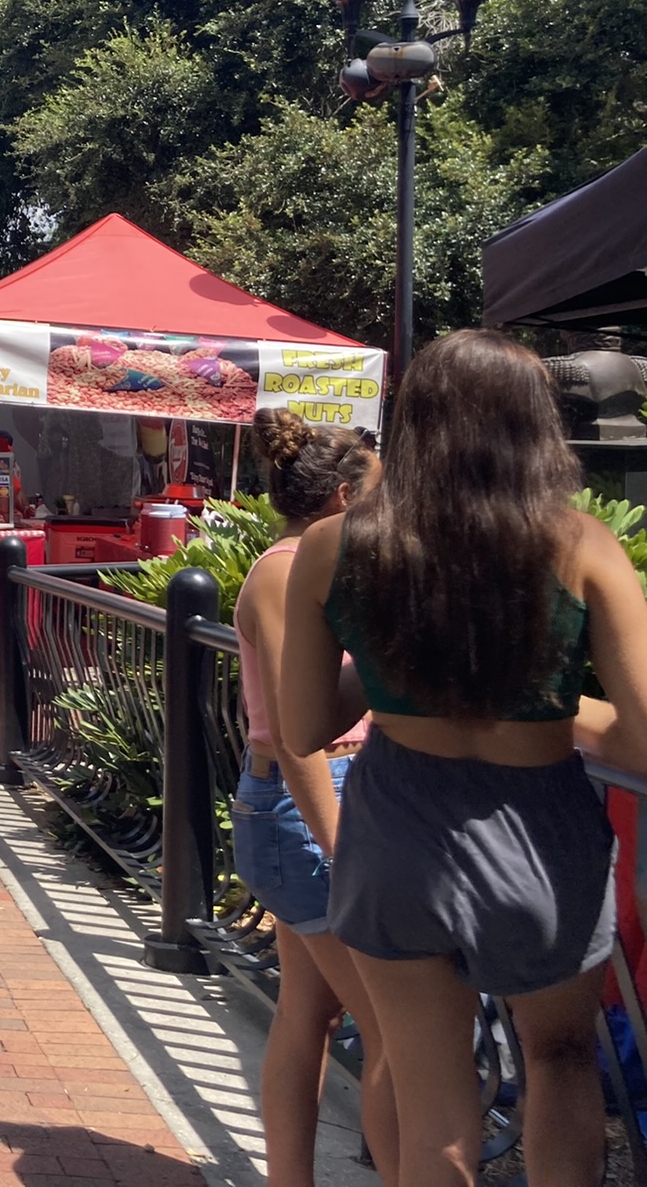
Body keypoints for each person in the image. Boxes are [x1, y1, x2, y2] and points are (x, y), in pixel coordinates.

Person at [283, 329, 647, 1187]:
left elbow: (303, 723)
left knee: (431, 1093)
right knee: (558, 1062)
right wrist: (554, 707)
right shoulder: (583, 545)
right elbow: (641, 733)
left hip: (397, 827)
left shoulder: (337, 547)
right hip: (542, 833)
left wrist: (404, 662)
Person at [230, 411, 393, 1187]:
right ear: (340, 496)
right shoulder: (288, 571)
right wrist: (339, 846)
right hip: (308, 804)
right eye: (376, 495)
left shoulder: (307, 567)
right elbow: (301, 733)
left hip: (312, 801)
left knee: (311, 1013)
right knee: (397, 1031)